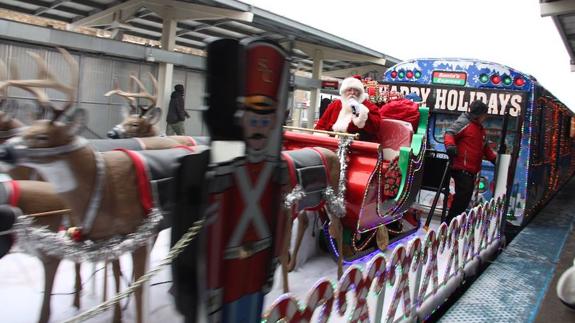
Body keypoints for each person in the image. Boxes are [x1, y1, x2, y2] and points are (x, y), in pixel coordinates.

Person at [443, 100, 497, 224]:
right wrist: (450, 146)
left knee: (464, 199)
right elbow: (449, 133)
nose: (485, 117)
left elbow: (485, 148)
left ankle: (452, 223)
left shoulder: (480, 129)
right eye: (484, 114)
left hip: (471, 170)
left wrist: (494, 160)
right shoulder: (465, 122)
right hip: (461, 167)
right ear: (479, 114)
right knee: (462, 198)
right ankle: (449, 223)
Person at [315, 76, 380, 142]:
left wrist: (361, 113)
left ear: (360, 92)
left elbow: (375, 127)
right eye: (349, 90)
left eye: (356, 90)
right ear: (344, 91)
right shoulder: (336, 104)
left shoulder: (369, 106)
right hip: (332, 142)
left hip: (356, 144)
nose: (352, 93)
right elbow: (321, 125)